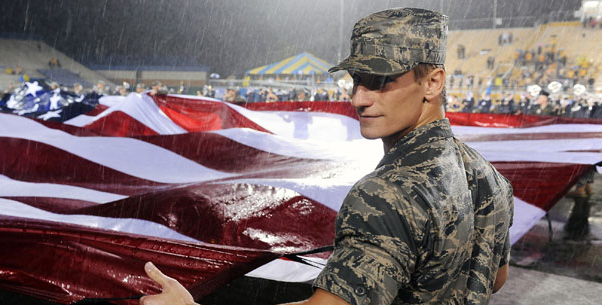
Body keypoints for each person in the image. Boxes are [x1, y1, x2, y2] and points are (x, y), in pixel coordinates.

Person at [138, 8, 513, 305]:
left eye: (381, 81)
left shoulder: (388, 194)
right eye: (357, 80)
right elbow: (494, 278)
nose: (360, 99)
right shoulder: (490, 177)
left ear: (432, 82)